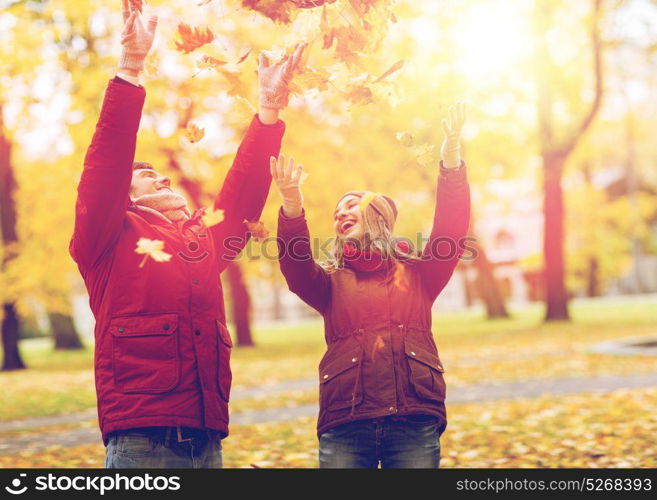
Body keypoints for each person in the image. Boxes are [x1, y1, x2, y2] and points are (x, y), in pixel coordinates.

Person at [69, 0, 305, 468]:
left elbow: (238, 203)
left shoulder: (198, 242)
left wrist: (269, 113)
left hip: (205, 437)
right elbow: (106, 164)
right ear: (125, 196)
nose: (161, 178)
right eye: (146, 176)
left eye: (162, 173)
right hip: (142, 438)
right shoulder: (106, 236)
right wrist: (130, 68)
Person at [273, 103, 470, 468]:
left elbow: (451, 229)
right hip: (347, 420)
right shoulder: (329, 282)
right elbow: (295, 263)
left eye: (351, 206)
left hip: (413, 417)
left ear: (377, 215)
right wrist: (291, 206)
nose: (340, 214)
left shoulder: (420, 272)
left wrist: (452, 160)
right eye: (336, 213)